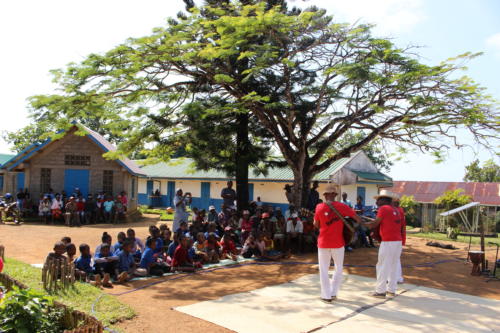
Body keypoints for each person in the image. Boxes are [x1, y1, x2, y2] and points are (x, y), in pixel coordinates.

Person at [314, 184, 360, 303]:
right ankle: (333, 293)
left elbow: (316, 225)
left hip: (323, 243)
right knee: (338, 268)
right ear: (334, 195)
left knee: (323, 269)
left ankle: (326, 295)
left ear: (325, 195)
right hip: (338, 243)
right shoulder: (342, 206)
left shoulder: (319, 207)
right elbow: (356, 218)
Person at [367, 190, 403, 298]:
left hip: (388, 242)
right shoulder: (396, 209)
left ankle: (380, 291)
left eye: (378, 199)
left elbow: (375, 224)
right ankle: (391, 290)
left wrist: (362, 223)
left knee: (382, 266)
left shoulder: (383, 209)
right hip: (397, 241)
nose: (377, 202)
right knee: (393, 265)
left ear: (384, 200)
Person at [393, 196, 406, 284]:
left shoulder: (397, 210)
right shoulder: (399, 210)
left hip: (396, 238)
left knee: (395, 259)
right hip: (399, 237)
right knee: (396, 259)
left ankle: (397, 278)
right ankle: (397, 278)